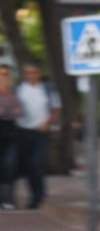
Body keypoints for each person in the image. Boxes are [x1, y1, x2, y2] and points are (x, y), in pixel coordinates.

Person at [14, 63, 60, 210]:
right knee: (28, 166)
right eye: (27, 72)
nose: (30, 75)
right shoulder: (19, 90)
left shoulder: (47, 89)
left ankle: (40, 196)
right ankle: (34, 197)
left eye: (33, 72)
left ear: (39, 73)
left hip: (41, 132)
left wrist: (48, 123)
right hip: (24, 131)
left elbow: (56, 109)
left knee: (36, 163)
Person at [0, 64, 21, 209]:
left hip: (11, 131)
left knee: (10, 165)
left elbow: (19, 111)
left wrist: (7, 110)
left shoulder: (14, 92)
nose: (4, 77)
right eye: (2, 74)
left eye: (7, 74)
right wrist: (9, 110)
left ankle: (8, 199)